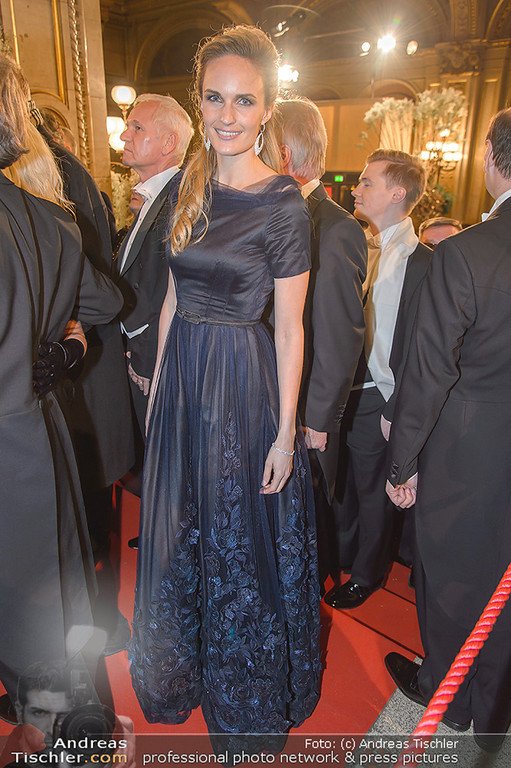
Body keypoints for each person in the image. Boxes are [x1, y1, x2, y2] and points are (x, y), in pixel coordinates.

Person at [129, 25, 320, 746]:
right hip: (183, 380)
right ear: (198, 100)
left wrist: (285, 432)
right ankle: (182, 674)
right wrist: (158, 390)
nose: (227, 115)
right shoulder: (189, 185)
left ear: (266, 109)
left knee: (237, 539)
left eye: (244, 101)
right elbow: (173, 298)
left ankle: (243, 694)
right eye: (215, 98)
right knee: (182, 532)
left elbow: (291, 329)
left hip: (242, 386)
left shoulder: (283, 202)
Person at [385, 108, 511, 751]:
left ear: (492, 156)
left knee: (454, 580)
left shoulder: (465, 252)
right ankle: (493, 710)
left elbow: (427, 371)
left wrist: (401, 461)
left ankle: (451, 697)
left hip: (469, 450)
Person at [0, 54, 123, 715]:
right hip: (36, 440)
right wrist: (68, 339)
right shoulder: (52, 219)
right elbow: (104, 303)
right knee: (49, 607)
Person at [324, 149, 430, 610]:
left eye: (367, 182)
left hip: (380, 394)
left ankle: (367, 574)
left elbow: (422, 347)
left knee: (371, 492)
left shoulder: (423, 263)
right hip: (340, 389)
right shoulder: (353, 244)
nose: (356, 189)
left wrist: (397, 405)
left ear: (397, 193)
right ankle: (343, 556)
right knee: (340, 484)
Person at [278, 97, 367, 586]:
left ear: (284, 154)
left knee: (308, 520)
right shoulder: (277, 212)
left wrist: (317, 419)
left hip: (306, 411)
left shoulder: (335, 227)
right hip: (272, 398)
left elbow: (340, 335)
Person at [116, 94, 194, 440]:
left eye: (137, 128)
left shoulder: (181, 199)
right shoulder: (154, 196)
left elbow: (171, 287)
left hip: (156, 362)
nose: (124, 135)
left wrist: (147, 357)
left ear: (168, 143)